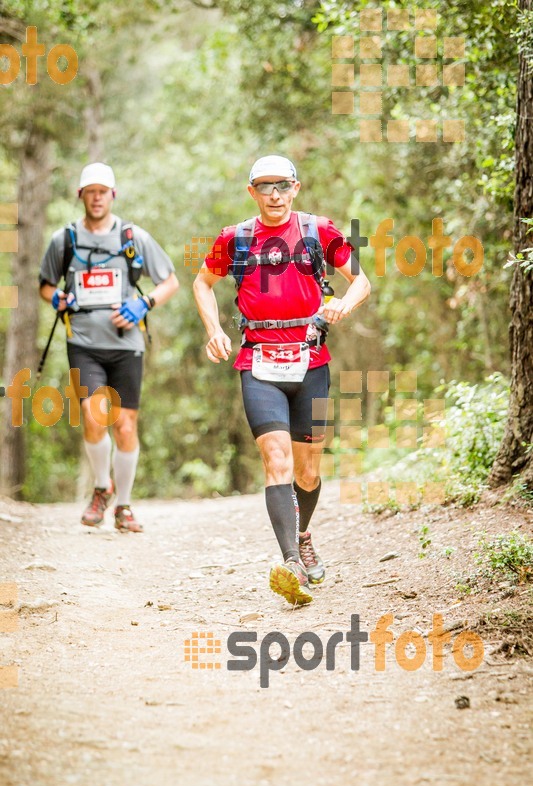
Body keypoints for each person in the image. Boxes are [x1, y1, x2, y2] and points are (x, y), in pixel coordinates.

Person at [193, 155, 371, 605]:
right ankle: (291, 561)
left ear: (296, 188)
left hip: (311, 361)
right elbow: (201, 283)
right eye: (264, 186)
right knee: (276, 458)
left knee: (308, 471)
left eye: (282, 186)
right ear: (251, 191)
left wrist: (344, 304)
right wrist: (214, 330)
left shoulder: (319, 230)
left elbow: (361, 280)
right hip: (259, 362)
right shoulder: (234, 239)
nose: (274, 194)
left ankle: (304, 535)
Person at [39, 162, 179, 532]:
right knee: (93, 414)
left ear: (112, 195)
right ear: (81, 195)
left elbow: (170, 282)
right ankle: (102, 488)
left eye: (103, 191)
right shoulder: (64, 239)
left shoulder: (132, 238)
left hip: (126, 344)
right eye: (91, 191)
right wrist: (57, 299)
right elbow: (45, 284)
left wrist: (143, 304)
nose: (97, 197)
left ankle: (125, 506)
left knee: (126, 426)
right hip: (82, 341)